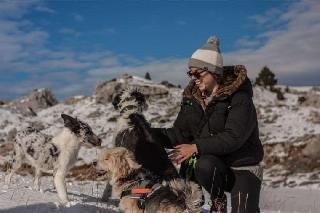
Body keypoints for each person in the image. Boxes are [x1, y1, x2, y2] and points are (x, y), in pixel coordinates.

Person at [150, 36, 264, 213]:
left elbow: (233, 137)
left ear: (214, 72)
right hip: (214, 165)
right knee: (203, 163)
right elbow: (180, 133)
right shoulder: (192, 100)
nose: (193, 78)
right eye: (190, 73)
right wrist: (146, 133)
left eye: (198, 73)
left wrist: (195, 147)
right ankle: (218, 201)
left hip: (243, 167)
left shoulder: (240, 98)